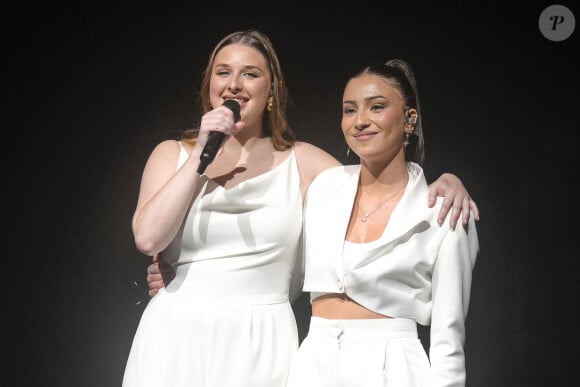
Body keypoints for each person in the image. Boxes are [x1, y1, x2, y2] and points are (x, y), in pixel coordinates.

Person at [125, 29, 478, 387]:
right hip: (174, 331)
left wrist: (447, 180)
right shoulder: (172, 154)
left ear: (271, 91)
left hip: (260, 337)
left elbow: (380, 180)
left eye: (250, 73)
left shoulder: (305, 164)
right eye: (222, 72)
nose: (234, 84)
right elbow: (148, 238)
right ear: (208, 84)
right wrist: (200, 154)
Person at [285, 59, 479, 387]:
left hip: (394, 367)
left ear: (409, 120)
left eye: (377, 107)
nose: (360, 121)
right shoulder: (323, 189)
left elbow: (449, 340)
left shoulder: (442, 211)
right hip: (313, 363)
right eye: (349, 110)